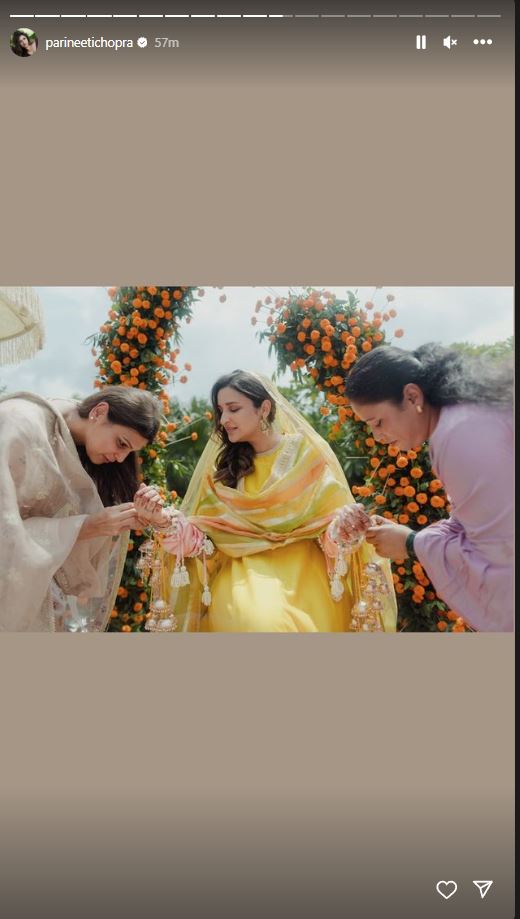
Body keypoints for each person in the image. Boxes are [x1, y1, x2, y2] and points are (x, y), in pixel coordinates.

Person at [135, 371, 397, 633]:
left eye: (234, 409)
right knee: (247, 619)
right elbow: (203, 543)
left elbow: (331, 535)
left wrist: (345, 528)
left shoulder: (306, 457)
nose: (224, 419)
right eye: (220, 410)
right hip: (240, 576)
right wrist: (162, 521)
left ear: (264, 408)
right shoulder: (222, 471)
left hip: (306, 575)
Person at [344, 343, 514, 632]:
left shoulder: (459, 435)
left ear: (412, 396)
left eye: (379, 422)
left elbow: (501, 561)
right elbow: (473, 525)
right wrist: (412, 538)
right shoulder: (459, 420)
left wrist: (412, 543)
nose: (377, 435)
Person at [0, 386, 162, 631]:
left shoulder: (86, 449)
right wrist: (85, 526)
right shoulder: (18, 423)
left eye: (129, 451)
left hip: (41, 598)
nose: (120, 458)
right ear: (99, 412)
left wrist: (136, 515)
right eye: (121, 443)